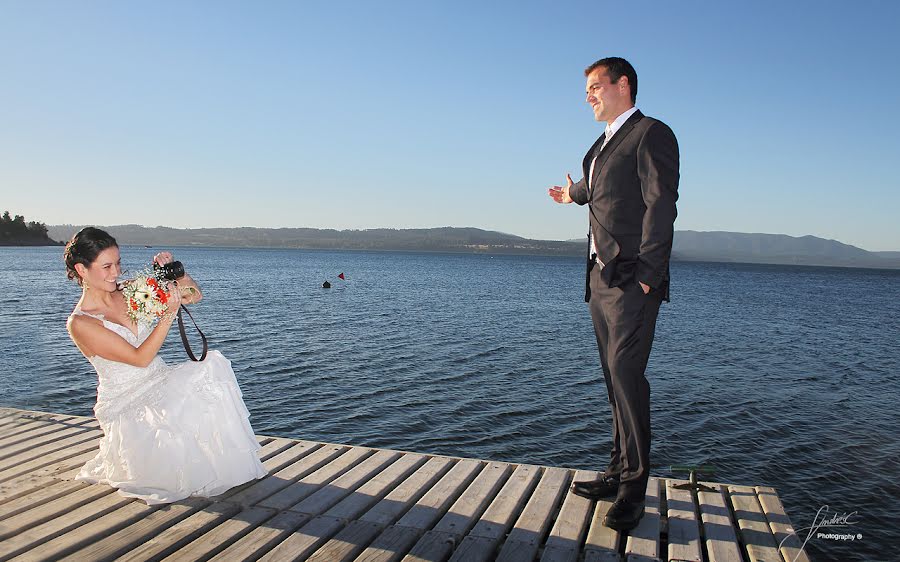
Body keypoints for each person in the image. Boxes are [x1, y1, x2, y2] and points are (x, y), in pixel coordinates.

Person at [548, 57, 679, 530]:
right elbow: (599, 187)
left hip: (631, 281)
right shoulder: (601, 146)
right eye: (586, 89)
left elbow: (660, 202)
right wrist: (572, 195)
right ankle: (616, 470)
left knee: (628, 377)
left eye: (595, 86)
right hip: (598, 280)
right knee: (613, 382)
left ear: (623, 85)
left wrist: (649, 272)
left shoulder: (651, 134)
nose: (588, 96)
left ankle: (634, 489)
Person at [64, 227, 267, 504]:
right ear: (82, 269)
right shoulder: (81, 323)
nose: (116, 273)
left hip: (158, 377)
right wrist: (168, 315)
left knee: (212, 367)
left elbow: (194, 295)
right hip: (125, 399)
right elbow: (139, 358)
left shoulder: (130, 292)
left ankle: (219, 466)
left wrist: (176, 274)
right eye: (107, 266)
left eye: (119, 263)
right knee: (175, 409)